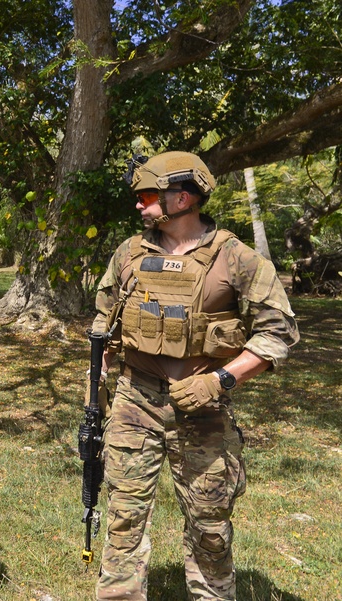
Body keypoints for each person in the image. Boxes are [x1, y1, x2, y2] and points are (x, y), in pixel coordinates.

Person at [90, 151, 300, 600]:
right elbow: (102, 326)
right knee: (123, 519)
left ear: (182, 198)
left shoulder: (236, 259)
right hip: (135, 402)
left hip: (201, 409)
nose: (138, 205)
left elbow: (279, 332)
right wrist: (99, 393)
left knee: (210, 526)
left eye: (146, 194)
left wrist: (221, 380)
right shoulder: (129, 254)